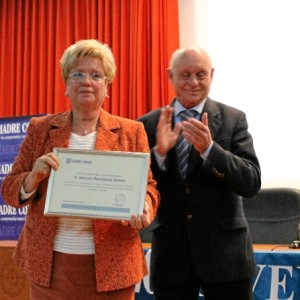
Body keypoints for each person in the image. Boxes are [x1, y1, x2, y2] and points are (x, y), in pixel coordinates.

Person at [1, 39, 159, 300]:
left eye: (96, 75)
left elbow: (149, 188)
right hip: (51, 269)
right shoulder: (40, 129)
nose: (87, 80)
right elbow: (9, 190)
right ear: (66, 84)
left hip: (113, 267)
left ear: (107, 86)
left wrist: (145, 205)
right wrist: (32, 178)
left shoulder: (132, 131)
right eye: (78, 73)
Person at [138, 46, 261, 300]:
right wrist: (159, 153)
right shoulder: (147, 124)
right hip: (172, 259)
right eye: (185, 75)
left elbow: (251, 182)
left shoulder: (233, 119)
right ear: (170, 76)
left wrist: (210, 151)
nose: (194, 82)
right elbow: (137, 189)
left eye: (201, 74)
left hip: (226, 259)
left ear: (212, 75)